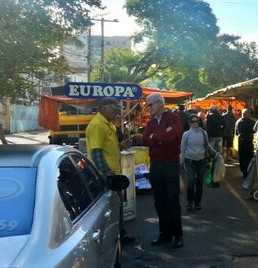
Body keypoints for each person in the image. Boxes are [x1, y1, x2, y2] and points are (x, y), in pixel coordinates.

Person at [85, 97, 135, 244]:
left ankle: (120, 234)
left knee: (117, 205)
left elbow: (108, 147)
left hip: (113, 172)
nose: (117, 112)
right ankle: (112, 238)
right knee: (110, 207)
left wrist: (122, 145)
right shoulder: (97, 125)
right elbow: (96, 152)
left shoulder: (109, 125)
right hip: (105, 175)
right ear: (104, 108)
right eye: (114, 109)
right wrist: (107, 174)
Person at [141, 93, 184, 249]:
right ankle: (164, 233)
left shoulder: (173, 118)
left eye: (150, 105)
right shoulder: (151, 122)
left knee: (172, 200)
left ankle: (177, 234)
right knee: (159, 201)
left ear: (160, 103)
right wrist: (157, 137)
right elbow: (145, 139)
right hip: (156, 165)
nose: (148, 108)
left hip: (170, 164)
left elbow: (171, 136)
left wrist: (155, 138)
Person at [180, 114, 220, 211]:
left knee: (199, 182)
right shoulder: (186, 134)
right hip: (189, 160)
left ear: (199, 122)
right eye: (193, 121)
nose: (195, 123)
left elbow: (207, 145)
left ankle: (198, 202)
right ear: (189, 123)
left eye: (197, 121)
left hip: (201, 160)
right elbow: (183, 148)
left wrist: (215, 152)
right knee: (191, 181)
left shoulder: (203, 133)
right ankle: (190, 202)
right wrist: (181, 160)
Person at [235, 109, 255, 178]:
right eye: (249, 114)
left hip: (241, 142)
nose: (250, 115)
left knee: (242, 157)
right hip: (249, 142)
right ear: (247, 114)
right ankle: (249, 171)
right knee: (249, 157)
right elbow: (255, 131)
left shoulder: (237, 122)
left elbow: (236, 133)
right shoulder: (251, 122)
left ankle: (244, 171)